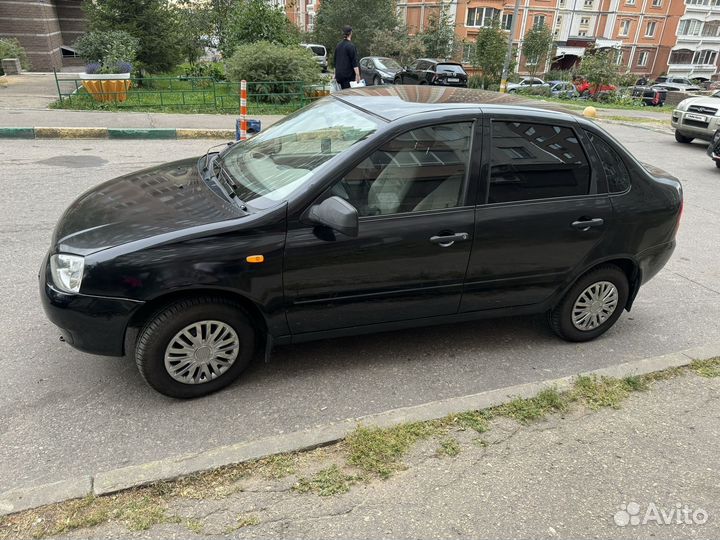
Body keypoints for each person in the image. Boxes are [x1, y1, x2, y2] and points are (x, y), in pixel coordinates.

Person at [334, 25, 360, 90]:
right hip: (348, 77)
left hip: (339, 76)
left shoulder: (338, 45)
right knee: (349, 96)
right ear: (351, 33)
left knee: (342, 94)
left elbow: (335, 61)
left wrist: (335, 74)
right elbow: (354, 62)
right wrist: (357, 75)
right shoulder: (351, 46)